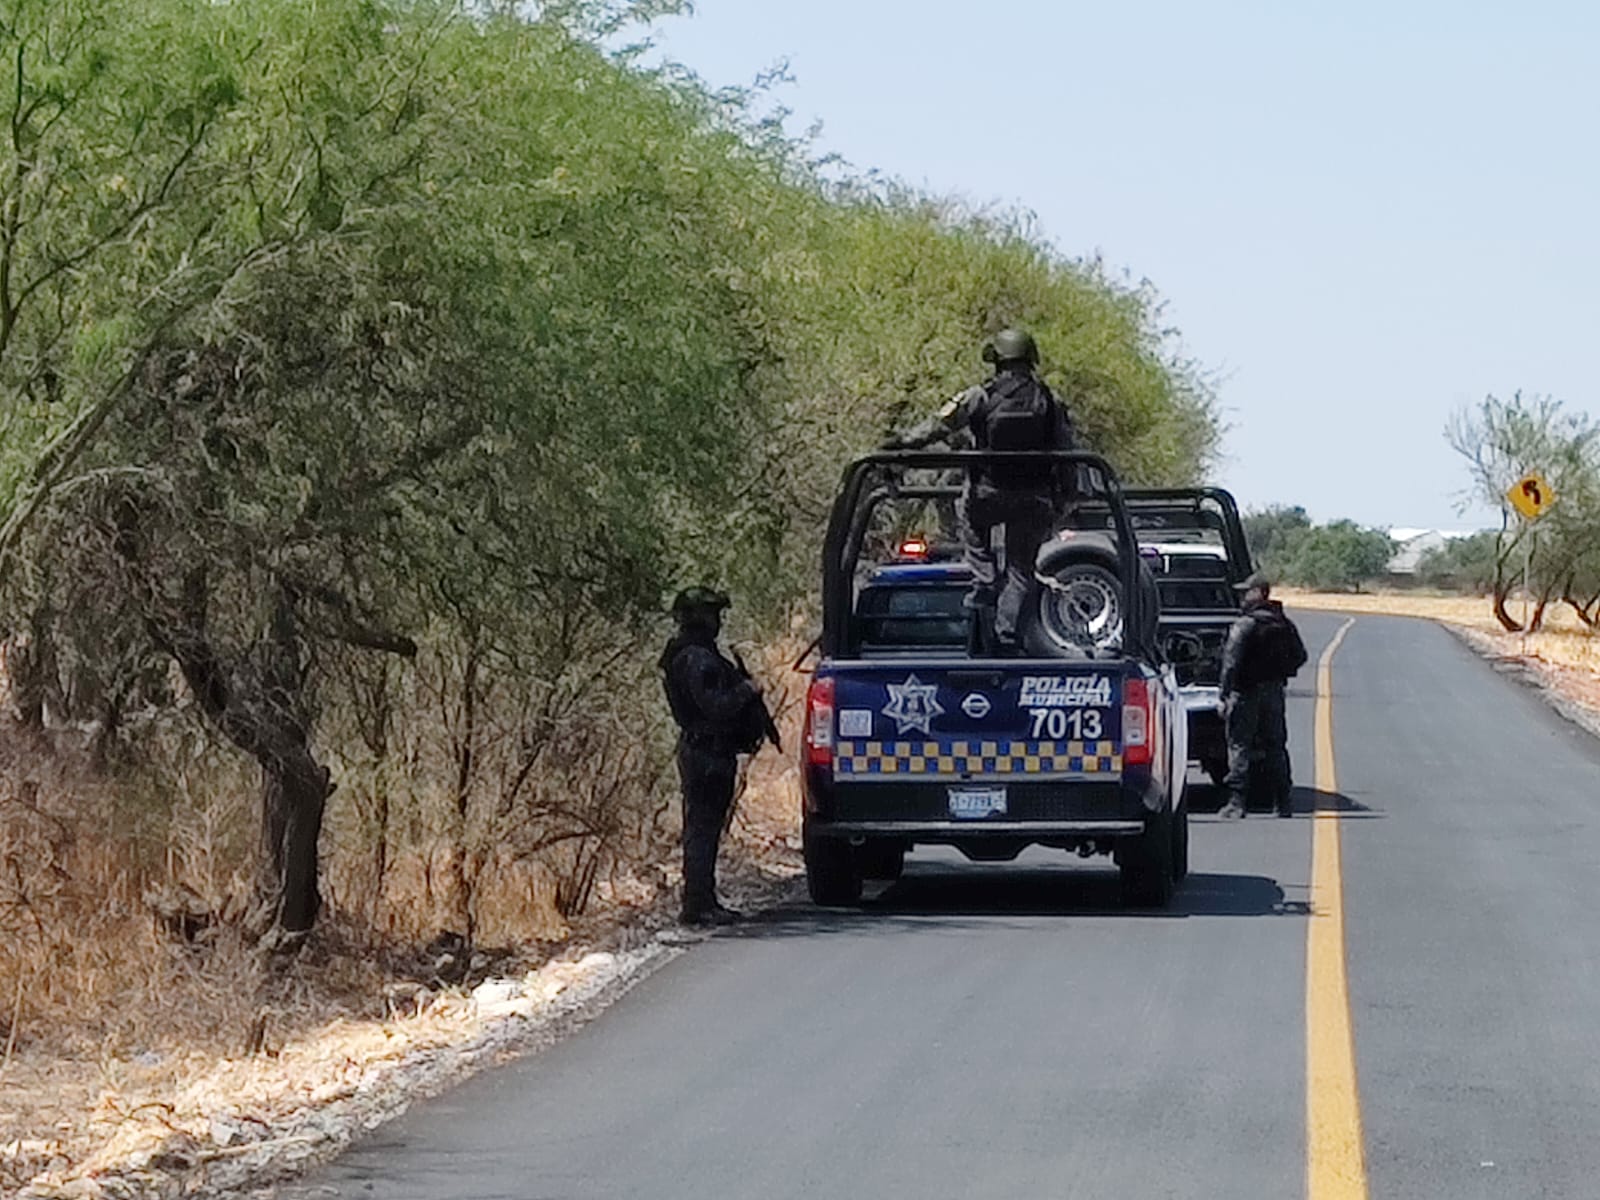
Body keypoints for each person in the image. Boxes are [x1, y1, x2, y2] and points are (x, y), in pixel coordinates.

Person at [881, 329, 1076, 650]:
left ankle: (984, 582)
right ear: (1030, 360)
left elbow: (936, 426)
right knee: (1021, 570)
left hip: (986, 495)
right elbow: (1067, 454)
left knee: (969, 520)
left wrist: (901, 443)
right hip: (1033, 499)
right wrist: (1065, 499)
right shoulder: (1049, 401)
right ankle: (1006, 636)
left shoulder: (979, 396)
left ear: (997, 361)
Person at [659, 586, 771, 925]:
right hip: (706, 754)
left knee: (704, 828)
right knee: (702, 829)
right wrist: (747, 690)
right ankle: (698, 905)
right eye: (710, 614)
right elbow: (716, 706)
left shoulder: (696, 655)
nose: (716, 622)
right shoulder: (696, 659)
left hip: (709, 751)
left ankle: (703, 900)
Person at [1217, 575, 1308, 819]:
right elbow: (1301, 655)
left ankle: (1236, 803)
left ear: (1259, 592)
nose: (1242, 596)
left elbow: (1230, 663)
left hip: (1245, 693)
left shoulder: (1245, 625)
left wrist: (1224, 694)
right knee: (1276, 747)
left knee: (1239, 746)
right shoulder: (1284, 623)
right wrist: (1279, 672)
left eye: (1247, 592)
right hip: (1274, 693)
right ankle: (1283, 802)